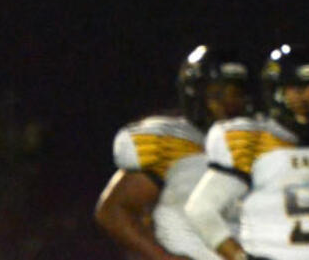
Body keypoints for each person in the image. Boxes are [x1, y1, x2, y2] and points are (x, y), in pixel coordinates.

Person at [96, 45, 252, 260]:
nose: (230, 103)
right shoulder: (172, 142)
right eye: (219, 93)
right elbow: (113, 211)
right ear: (196, 94)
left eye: (237, 93)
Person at [185, 44, 309, 260]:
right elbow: (201, 210)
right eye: (299, 89)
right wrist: (239, 256)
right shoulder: (254, 139)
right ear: (277, 92)